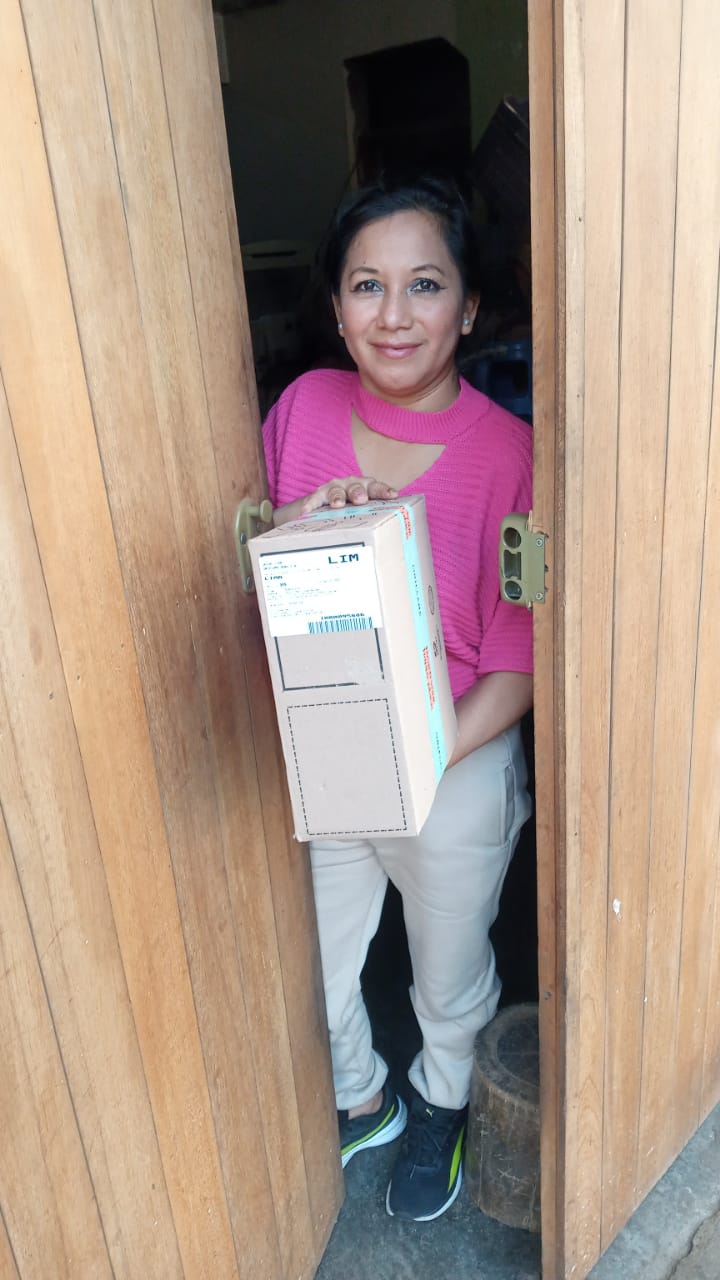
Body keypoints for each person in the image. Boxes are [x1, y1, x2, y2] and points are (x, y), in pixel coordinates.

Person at [262, 175, 533, 1223]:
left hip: (456, 752)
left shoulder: (510, 454)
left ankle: (441, 1099)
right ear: (336, 308)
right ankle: (364, 1095)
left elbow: (521, 655)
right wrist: (297, 523)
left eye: (425, 284)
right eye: (366, 285)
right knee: (316, 966)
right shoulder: (302, 410)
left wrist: (425, 752)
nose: (394, 314)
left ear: (469, 307)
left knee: (446, 971)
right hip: (330, 750)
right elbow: (250, 570)